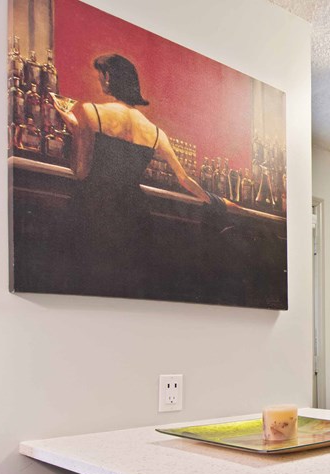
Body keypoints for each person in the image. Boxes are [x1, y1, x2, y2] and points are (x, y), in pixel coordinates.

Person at [49, 54, 220, 299]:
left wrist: (76, 128)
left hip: (94, 207)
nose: (100, 82)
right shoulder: (156, 132)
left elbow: (81, 171)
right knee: (126, 288)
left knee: (86, 285)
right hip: (134, 213)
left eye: (101, 77)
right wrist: (215, 201)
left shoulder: (89, 111)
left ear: (108, 77)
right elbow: (184, 179)